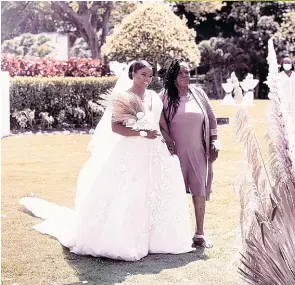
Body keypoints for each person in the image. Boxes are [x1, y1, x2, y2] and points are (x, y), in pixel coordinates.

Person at [20, 60, 194, 261]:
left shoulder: (154, 96)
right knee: (131, 191)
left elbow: (161, 120)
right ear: (133, 74)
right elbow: (116, 128)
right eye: (143, 74)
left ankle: (156, 240)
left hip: (156, 150)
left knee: (155, 191)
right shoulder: (124, 97)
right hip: (132, 149)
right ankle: (127, 238)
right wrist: (142, 132)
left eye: (150, 75)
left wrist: (168, 137)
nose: (147, 79)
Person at [160, 59, 218, 248]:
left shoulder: (198, 93)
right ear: (173, 76)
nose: (186, 76)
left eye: (188, 72)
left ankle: (200, 233)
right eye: (181, 73)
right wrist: (167, 138)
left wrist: (214, 140)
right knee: (173, 191)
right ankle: (174, 234)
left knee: (199, 190)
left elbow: (211, 117)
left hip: (198, 151)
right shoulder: (164, 96)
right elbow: (157, 122)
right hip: (173, 153)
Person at [279, 56, 295, 124]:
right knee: (284, 119)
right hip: (283, 101)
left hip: (294, 100)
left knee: (292, 118)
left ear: (291, 64)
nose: (287, 64)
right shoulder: (279, 76)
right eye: (285, 63)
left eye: (289, 63)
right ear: (282, 64)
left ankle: (290, 133)